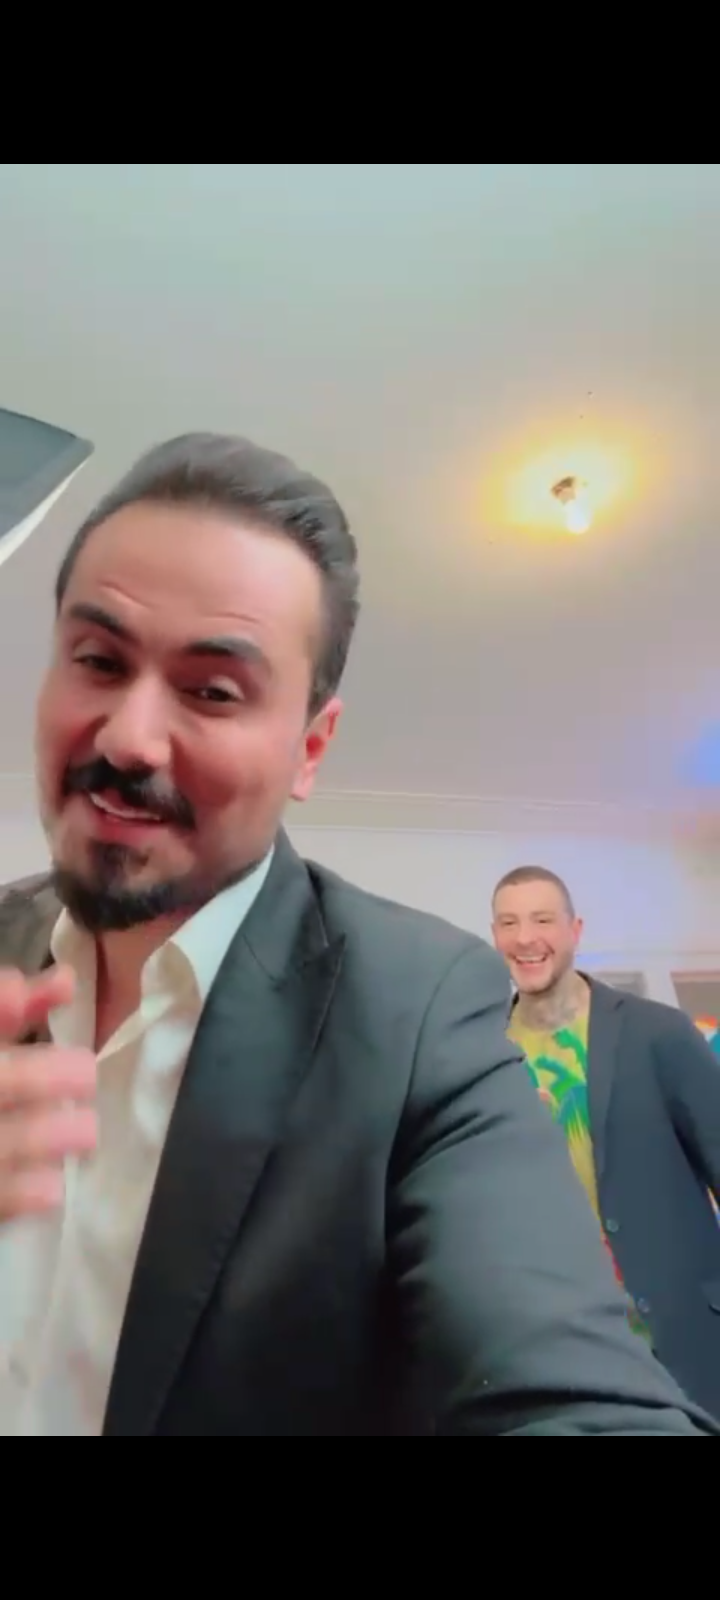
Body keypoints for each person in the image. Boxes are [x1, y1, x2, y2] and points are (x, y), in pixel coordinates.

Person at [0, 435, 713, 1438]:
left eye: (212, 691)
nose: (127, 737)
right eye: (98, 660)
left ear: (311, 748)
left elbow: (571, 1398)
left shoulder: (419, 1011)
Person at [492, 863, 720, 1422]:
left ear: (575, 930)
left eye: (542, 919)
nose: (525, 937)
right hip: (564, 1349)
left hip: (687, 1335)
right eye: (509, 923)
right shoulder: (484, 1051)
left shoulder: (658, 1031)